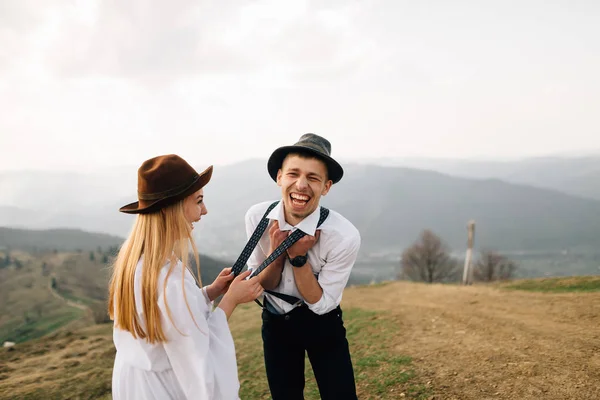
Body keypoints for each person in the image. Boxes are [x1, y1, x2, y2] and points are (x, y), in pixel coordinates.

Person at [109, 154, 263, 400]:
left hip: (134, 384)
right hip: (161, 390)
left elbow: (166, 319)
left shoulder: (138, 262)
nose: (204, 210)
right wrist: (230, 300)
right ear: (173, 207)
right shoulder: (167, 280)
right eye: (198, 201)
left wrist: (210, 292)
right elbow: (197, 358)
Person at [244, 133, 361, 400]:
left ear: (327, 187)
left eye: (313, 178)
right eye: (293, 174)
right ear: (279, 178)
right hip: (275, 321)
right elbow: (263, 285)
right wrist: (276, 252)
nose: (301, 185)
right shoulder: (257, 217)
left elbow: (322, 305)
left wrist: (298, 259)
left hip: (323, 325)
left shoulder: (343, 235)